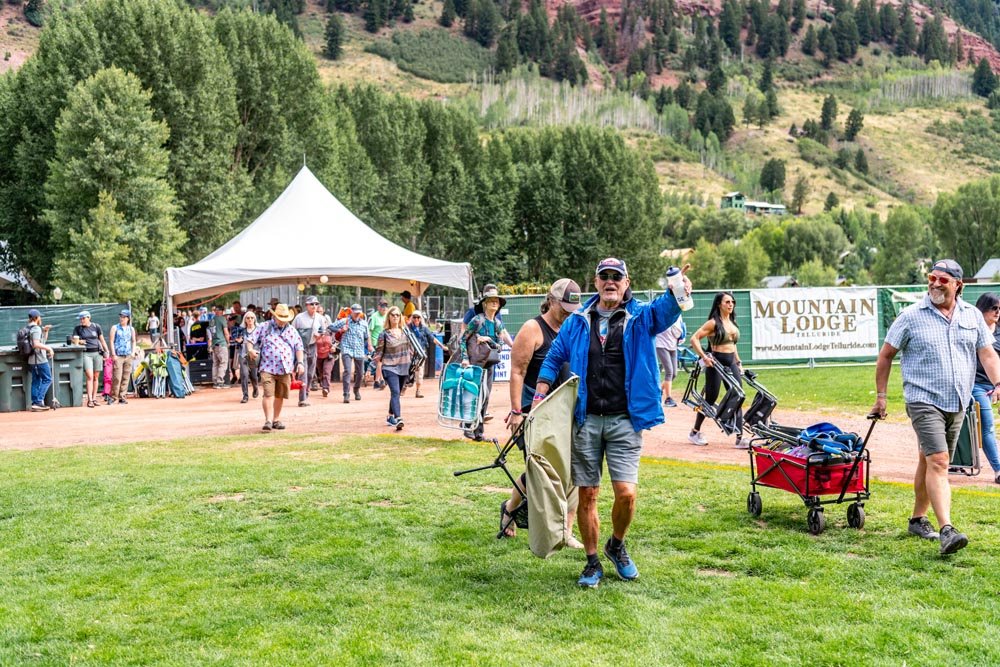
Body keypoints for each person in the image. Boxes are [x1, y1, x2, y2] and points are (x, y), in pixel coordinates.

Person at [533, 258, 688, 588]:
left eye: (616, 277)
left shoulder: (640, 317)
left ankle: (616, 545)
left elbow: (667, 310)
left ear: (626, 282)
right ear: (596, 281)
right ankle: (592, 562)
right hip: (586, 420)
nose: (610, 282)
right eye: (605, 277)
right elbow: (554, 355)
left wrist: (677, 291)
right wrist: (541, 390)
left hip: (624, 421)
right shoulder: (578, 322)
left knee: (627, 494)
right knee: (588, 494)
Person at [872, 259, 1000, 556]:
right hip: (922, 399)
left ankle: (918, 519)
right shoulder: (911, 316)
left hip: (958, 400)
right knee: (940, 461)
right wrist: (881, 396)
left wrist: (998, 382)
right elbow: (886, 355)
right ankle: (947, 530)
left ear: (958, 285)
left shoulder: (972, 316)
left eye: (943, 280)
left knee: (927, 460)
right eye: (932, 278)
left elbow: (987, 353)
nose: (935, 284)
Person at [501, 278, 583, 546]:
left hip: (566, 412)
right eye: (564, 307)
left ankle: (566, 530)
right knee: (540, 471)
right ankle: (510, 508)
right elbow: (517, 371)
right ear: (551, 300)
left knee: (574, 470)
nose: (569, 312)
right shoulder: (532, 329)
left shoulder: (573, 327)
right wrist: (516, 411)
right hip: (535, 409)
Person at [687, 292, 745, 448]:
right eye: (727, 302)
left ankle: (740, 437)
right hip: (716, 363)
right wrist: (705, 357)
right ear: (719, 304)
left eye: (732, 301)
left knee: (738, 395)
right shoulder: (713, 323)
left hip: (731, 362)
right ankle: (694, 432)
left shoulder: (732, 322)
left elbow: (733, 345)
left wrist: (738, 362)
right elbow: (694, 339)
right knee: (710, 399)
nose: (731, 304)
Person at [461, 285, 515, 440]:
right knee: (473, 394)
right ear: (484, 303)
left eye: (496, 301)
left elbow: (499, 345)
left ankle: (479, 432)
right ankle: (467, 426)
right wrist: (465, 358)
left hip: (489, 365)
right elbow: (463, 339)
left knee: (485, 397)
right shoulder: (477, 320)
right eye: (491, 301)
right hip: (475, 364)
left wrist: (489, 339)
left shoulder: (497, 323)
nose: (494, 303)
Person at [246, 303, 304, 432]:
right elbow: (250, 339)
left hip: (285, 369)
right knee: (268, 394)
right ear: (275, 316)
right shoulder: (264, 327)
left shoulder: (292, 330)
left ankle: (276, 420)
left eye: (285, 319)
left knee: (280, 395)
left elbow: (299, 347)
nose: (283, 322)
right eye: (281, 319)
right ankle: (268, 420)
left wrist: (300, 363)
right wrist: (250, 350)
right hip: (267, 367)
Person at [972, 293, 1000, 484]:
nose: (998, 312)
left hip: (997, 383)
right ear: (982, 309)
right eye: (994, 308)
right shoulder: (973, 330)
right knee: (987, 426)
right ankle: (998, 470)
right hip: (977, 385)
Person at [373, 306, 411, 430]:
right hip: (389, 366)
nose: (395, 317)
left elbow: (412, 348)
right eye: (393, 315)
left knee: (397, 393)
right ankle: (398, 418)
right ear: (388, 317)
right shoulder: (384, 334)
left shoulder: (406, 331)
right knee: (395, 391)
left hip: (404, 365)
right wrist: (370, 369)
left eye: (397, 315)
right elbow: (379, 353)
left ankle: (390, 416)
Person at [331, 304, 371, 403]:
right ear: (351, 312)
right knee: (347, 371)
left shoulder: (364, 323)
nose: (357, 314)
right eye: (355, 312)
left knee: (360, 373)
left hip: (359, 350)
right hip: (347, 349)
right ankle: (346, 394)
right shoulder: (344, 321)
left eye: (359, 313)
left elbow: (367, 336)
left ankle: (356, 389)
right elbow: (330, 327)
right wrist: (340, 330)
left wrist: (369, 345)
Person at [407, 310, 447, 398]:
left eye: (418, 317)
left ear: (421, 319)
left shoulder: (424, 328)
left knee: (419, 372)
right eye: (414, 317)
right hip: (410, 353)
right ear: (412, 318)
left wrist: (442, 346)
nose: (416, 319)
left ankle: (418, 390)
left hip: (421, 353)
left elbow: (432, 338)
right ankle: (405, 386)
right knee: (408, 370)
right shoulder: (408, 328)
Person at [73, 310, 110, 408]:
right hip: (86, 354)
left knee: (96, 377)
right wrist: (80, 342)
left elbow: (101, 340)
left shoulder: (96, 326)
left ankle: (94, 398)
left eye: (83, 318)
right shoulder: (78, 329)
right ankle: (89, 400)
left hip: (97, 353)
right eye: (80, 319)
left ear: (89, 317)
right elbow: (74, 340)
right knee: (90, 376)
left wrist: (107, 351)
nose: (82, 320)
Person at [292, 296, 323, 407]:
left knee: (310, 374)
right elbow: (292, 331)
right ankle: (302, 399)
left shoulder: (320, 318)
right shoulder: (299, 317)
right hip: (301, 347)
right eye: (312, 304)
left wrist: (319, 336)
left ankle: (306, 391)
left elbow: (322, 332)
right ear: (307, 305)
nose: (314, 306)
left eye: (316, 304)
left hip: (313, 346)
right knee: (303, 373)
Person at [26, 309, 54, 412]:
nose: (40, 318)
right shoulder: (36, 328)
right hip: (40, 359)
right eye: (39, 317)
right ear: (36, 318)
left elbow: (42, 342)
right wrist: (49, 349)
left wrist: (45, 331)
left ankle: (35, 403)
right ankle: (38, 401)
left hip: (32, 360)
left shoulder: (29, 328)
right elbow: (36, 344)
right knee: (47, 379)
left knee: (36, 381)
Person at [655, 315, 686, 407]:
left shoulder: (678, 314)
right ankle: (668, 399)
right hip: (661, 344)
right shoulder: (663, 312)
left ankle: (658, 391)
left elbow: (681, 327)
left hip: (673, 345)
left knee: (674, 374)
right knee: (669, 372)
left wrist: (681, 337)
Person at [109, 309, 137, 405]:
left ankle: (122, 397)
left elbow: (133, 341)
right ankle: (114, 397)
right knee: (117, 377)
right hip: (118, 356)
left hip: (128, 356)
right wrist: (113, 354)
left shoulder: (131, 329)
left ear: (128, 318)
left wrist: (133, 353)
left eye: (124, 317)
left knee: (126, 377)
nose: (121, 318)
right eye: (121, 316)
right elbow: (111, 341)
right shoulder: (115, 328)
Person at [238, 311, 260, 404]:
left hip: (254, 356)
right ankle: (245, 395)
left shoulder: (259, 330)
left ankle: (255, 388)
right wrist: (239, 341)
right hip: (243, 355)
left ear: (254, 319)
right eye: (248, 318)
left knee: (254, 376)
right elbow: (237, 339)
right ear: (245, 320)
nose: (250, 319)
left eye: (252, 317)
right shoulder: (241, 330)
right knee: (244, 374)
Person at [368, 299, 389, 389]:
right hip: (376, 343)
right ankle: (381, 380)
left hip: (386, 342)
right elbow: (369, 331)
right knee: (380, 361)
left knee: (380, 362)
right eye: (382, 306)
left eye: (385, 306)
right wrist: (370, 344)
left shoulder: (388, 316)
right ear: (378, 307)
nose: (384, 308)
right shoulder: (374, 317)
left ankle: (377, 381)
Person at [209, 305, 231, 389]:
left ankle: (215, 382)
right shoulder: (222, 319)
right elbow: (226, 332)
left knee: (215, 363)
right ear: (222, 311)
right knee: (223, 362)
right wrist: (228, 342)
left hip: (214, 344)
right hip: (221, 343)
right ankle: (220, 382)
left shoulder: (211, 320)